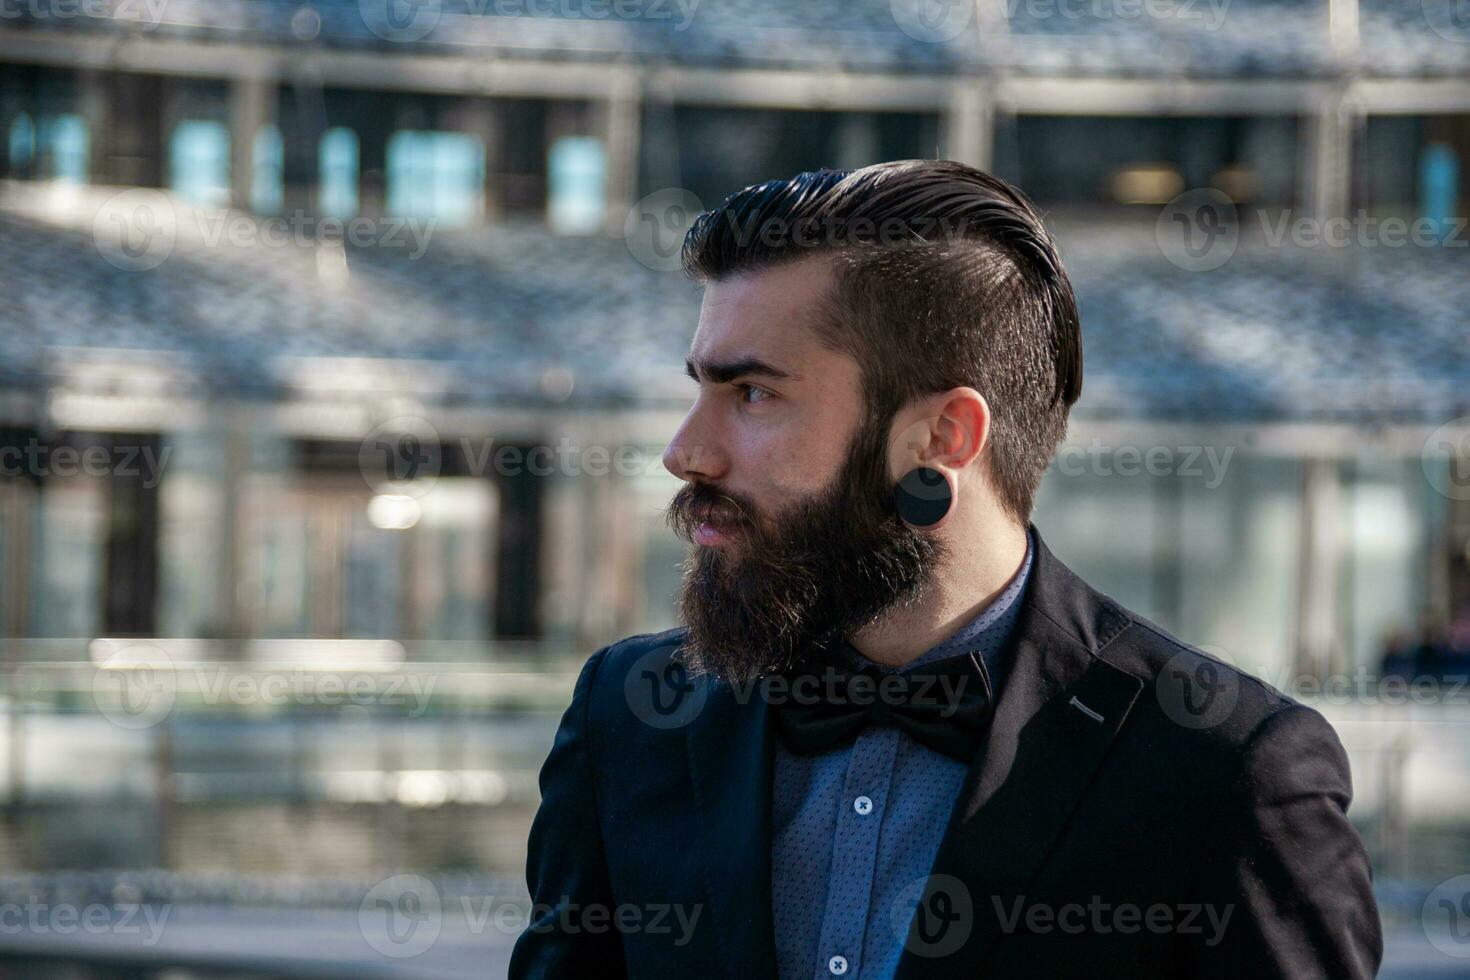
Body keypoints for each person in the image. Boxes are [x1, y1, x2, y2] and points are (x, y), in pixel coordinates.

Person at [509, 160, 1382, 979]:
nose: (684, 452)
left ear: (941, 439)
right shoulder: (628, 721)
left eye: (754, 394)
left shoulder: (1226, 773)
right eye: (699, 388)